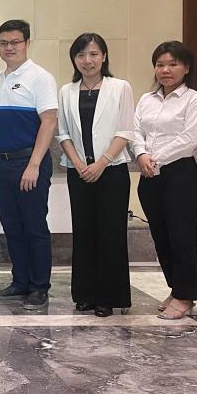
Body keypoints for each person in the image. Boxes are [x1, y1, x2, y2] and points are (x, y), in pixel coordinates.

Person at [55, 34, 135, 317]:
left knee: (111, 234)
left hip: (111, 171)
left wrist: (101, 163)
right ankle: (85, 294)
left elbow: (125, 131)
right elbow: (63, 133)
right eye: (81, 55)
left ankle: (108, 296)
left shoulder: (120, 87)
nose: (87, 61)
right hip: (79, 172)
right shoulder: (66, 91)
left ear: (104, 57)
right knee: (84, 232)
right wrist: (79, 164)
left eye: (93, 54)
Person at [133, 41, 197, 320]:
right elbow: (135, 130)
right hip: (148, 174)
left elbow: (189, 138)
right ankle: (176, 288)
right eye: (160, 64)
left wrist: (155, 159)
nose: (165, 70)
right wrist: (140, 154)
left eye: (173, 64)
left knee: (182, 237)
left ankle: (186, 295)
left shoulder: (195, 100)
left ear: (186, 67)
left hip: (180, 174)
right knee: (161, 236)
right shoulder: (146, 99)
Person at [0, 19, 58, 310]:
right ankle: (20, 282)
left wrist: (34, 164)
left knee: (34, 227)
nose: (9, 47)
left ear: (27, 43)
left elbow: (49, 121)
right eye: (4, 42)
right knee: (12, 227)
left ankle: (39, 287)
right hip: (2, 164)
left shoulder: (40, 77)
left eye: (15, 42)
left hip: (29, 162)